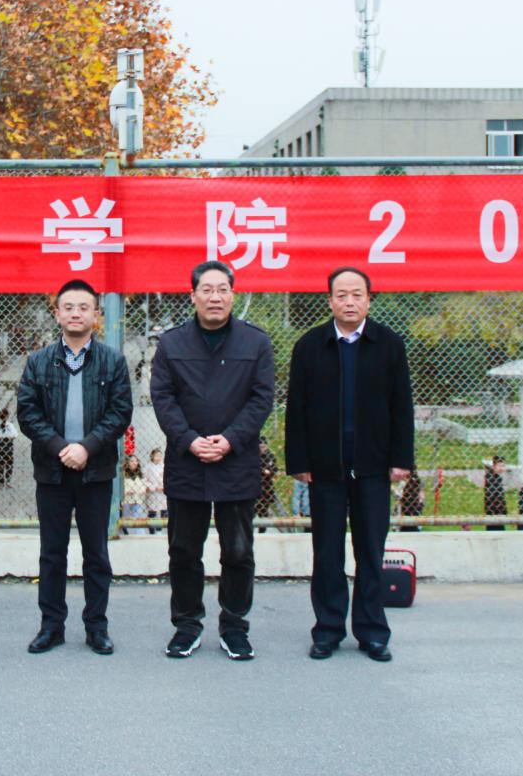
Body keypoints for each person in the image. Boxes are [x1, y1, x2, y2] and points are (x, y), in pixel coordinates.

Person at [285, 266, 414, 663]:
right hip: (325, 467)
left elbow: (402, 405)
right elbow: (296, 408)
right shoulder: (310, 346)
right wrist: (299, 460)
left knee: (370, 551)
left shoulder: (388, 344)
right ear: (330, 301)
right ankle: (327, 630)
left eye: (357, 294)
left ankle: (372, 631)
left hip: (373, 465)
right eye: (341, 295)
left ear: (369, 300)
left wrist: (401, 458)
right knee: (327, 552)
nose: (349, 302)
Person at [150, 260, 275, 661]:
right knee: (184, 551)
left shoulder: (255, 342)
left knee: (238, 552)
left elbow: (262, 398)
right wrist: (189, 440)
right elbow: (163, 399)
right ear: (193, 296)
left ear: (233, 295)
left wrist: (231, 440)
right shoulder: (172, 344)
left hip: (236, 463)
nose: (215, 297)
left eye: (223, 289)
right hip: (187, 463)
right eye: (207, 290)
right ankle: (186, 626)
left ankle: (234, 626)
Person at [16, 279, 132, 656]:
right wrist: (61, 448)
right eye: (68, 307)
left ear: (96, 315)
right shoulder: (38, 361)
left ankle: (97, 627)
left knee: (96, 553)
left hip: (95, 472)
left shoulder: (113, 361)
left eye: (84, 307)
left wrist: (86, 448)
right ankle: (51, 626)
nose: (76, 313)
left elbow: (120, 413)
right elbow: (28, 413)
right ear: (57, 314)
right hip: (52, 471)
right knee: (52, 553)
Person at [122, 455, 149, 531]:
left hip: (138, 499)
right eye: (132, 461)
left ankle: (139, 533)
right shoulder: (123, 474)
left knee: (137, 518)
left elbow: (144, 485)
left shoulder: (140, 474)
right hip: (126, 499)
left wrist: (142, 490)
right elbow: (120, 487)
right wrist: (126, 491)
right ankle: (125, 531)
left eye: (136, 461)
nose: (135, 463)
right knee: (126, 517)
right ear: (127, 463)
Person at [483, 455, 508, 531]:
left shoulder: (496, 477)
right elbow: (493, 497)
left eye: (503, 466)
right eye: (499, 466)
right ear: (494, 466)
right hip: (495, 512)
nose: (502, 468)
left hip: (497, 511)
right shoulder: (491, 478)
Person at [144, 447, 167, 519]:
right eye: (156, 456)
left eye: (160, 456)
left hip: (162, 491)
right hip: (152, 492)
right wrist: (153, 487)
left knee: (164, 511)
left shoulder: (164, 466)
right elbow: (144, 480)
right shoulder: (147, 467)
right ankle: (152, 525)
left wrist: (164, 486)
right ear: (152, 456)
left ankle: (163, 524)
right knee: (152, 512)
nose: (158, 458)